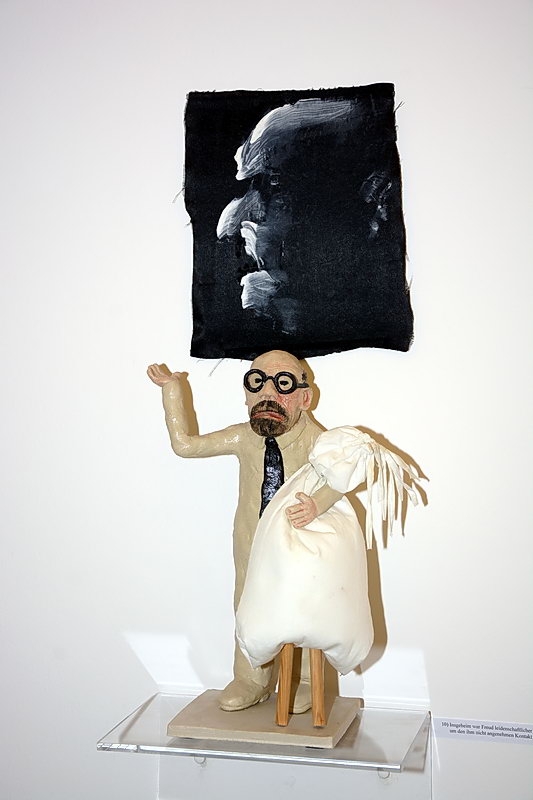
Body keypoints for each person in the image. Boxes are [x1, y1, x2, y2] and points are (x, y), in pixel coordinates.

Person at [147, 350, 343, 712]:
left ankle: (304, 680)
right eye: (257, 383)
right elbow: (185, 446)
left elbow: (343, 477)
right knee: (248, 604)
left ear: (305, 398)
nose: (268, 394)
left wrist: (318, 504)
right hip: (251, 540)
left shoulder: (319, 441)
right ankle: (252, 677)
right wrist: (172, 390)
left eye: (283, 384)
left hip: (301, 540)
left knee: (305, 606)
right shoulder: (243, 437)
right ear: (247, 394)